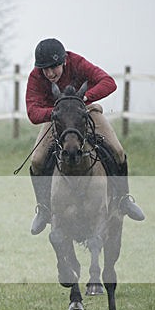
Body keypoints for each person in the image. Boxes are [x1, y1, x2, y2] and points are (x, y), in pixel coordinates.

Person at [26, 38, 145, 235]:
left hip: (86, 111)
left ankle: (123, 199)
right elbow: (32, 111)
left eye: (53, 67)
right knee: (37, 159)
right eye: (44, 69)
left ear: (64, 61)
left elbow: (109, 83)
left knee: (117, 150)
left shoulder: (77, 63)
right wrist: (57, 112)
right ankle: (44, 209)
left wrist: (83, 99)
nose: (49, 73)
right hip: (56, 117)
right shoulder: (36, 77)